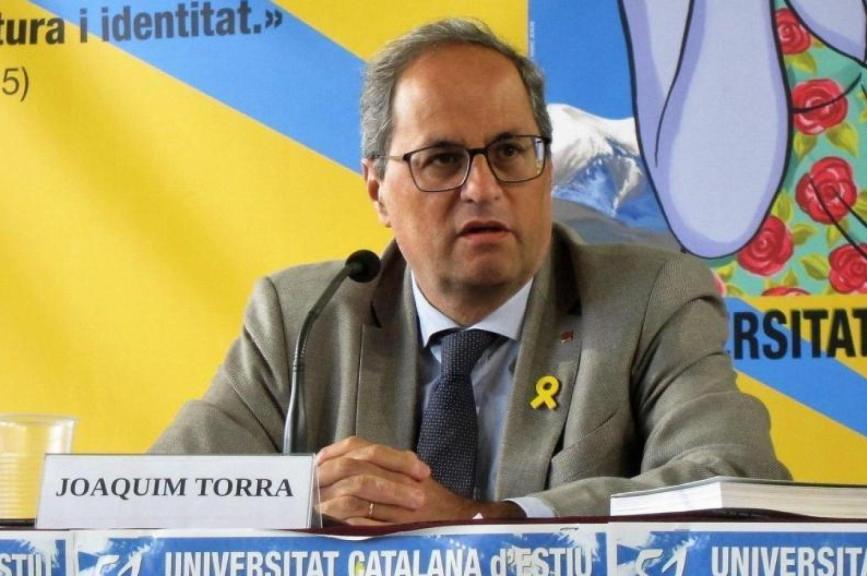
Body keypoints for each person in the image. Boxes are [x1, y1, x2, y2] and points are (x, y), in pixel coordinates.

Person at [151, 18, 789, 524]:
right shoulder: (302, 317)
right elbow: (154, 495)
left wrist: (490, 518)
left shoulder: (650, 299)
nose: (482, 188)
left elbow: (736, 477)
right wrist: (298, 498)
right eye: (442, 159)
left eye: (511, 151)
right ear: (377, 189)